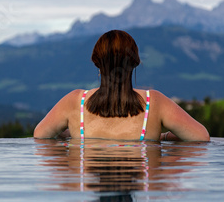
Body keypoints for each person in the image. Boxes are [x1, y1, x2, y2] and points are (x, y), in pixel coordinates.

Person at [33, 30, 210, 142]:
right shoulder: (154, 103)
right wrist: (162, 138)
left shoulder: (74, 102)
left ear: (96, 63)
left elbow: (40, 135)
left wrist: (71, 133)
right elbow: (201, 138)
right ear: (135, 63)